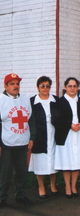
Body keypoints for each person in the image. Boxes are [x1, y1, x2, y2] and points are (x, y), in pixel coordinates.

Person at [0, 73, 34, 207]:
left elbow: (31, 120)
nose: (16, 86)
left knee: (21, 172)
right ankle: (2, 197)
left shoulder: (25, 99)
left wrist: (32, 138)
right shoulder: (1, 100)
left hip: (23, 141)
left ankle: (21, 195)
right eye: (12, 84)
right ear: (6, 86)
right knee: (5, 173)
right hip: (7, 142)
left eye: (17, 83)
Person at [54, 77, 80, 199]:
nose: (72, 88)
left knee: (76, 161)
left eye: (74, 86)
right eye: (70, 86)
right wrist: (69, 125)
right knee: (67, 161)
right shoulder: (59, 102)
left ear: (78, 88)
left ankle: (74, 186)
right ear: (65, 88)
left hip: (79, 134)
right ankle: (67, 186)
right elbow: (56, 119)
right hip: (66, 135)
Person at [28, 76, 59, 199]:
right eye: (42, 86)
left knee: (54, 161)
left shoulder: (56, 100)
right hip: (39, 135)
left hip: (54, 134)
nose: (45, 88)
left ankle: (53, 185)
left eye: (47, 86)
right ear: (38, 88)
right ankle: (41, 186)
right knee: (40, 161)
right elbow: (29, 121)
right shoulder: (32, 102)